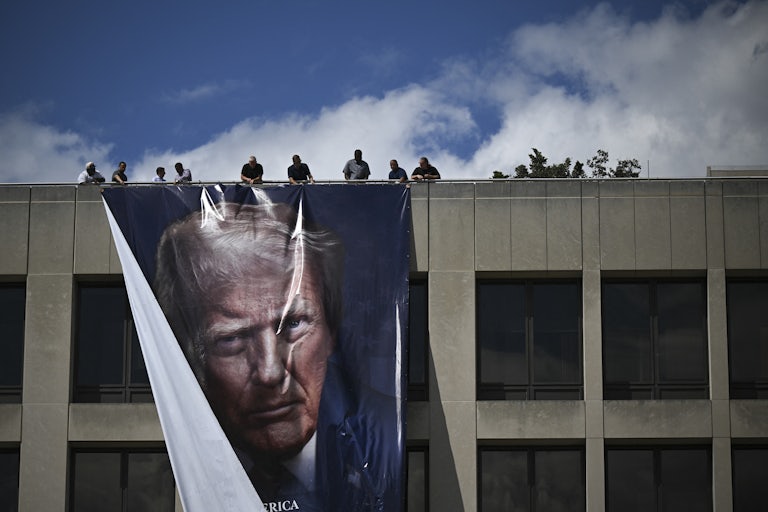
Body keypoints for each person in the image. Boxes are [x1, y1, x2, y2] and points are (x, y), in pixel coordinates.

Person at [154, 202, 389, 510]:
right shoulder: (174, 457)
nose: (270, 372)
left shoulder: (387, 440)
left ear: (332, 330)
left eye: (293, 324)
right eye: (232, 338)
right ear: (188, 353)